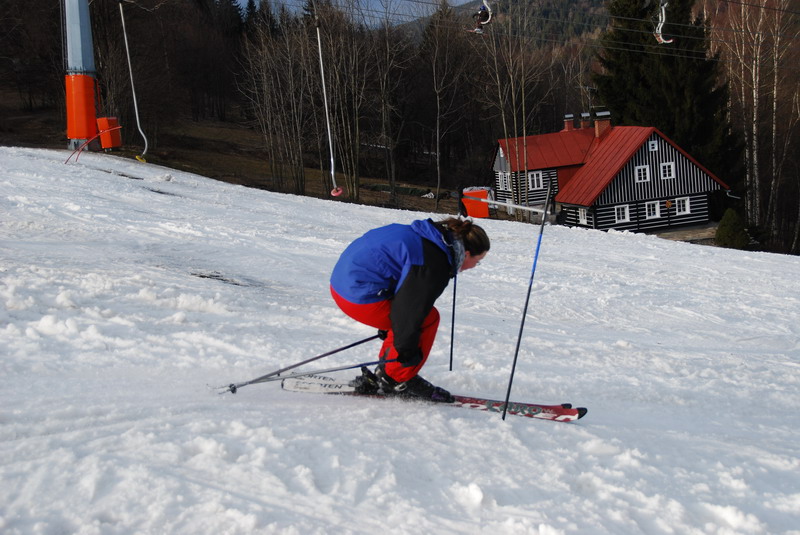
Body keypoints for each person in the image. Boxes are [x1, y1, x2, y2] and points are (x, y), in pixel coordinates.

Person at [330, 217, 490, 402]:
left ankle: (387, 367)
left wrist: (395, 328)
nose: (474, 267)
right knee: (427, 319)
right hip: (357, 297)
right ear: (467, 253)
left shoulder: (433, 237)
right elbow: (408, 313)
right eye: (478, 261)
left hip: (344, 284)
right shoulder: (432, 264)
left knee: (409, 320)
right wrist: (407, 350)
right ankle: (396, 378)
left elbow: (403, 284)